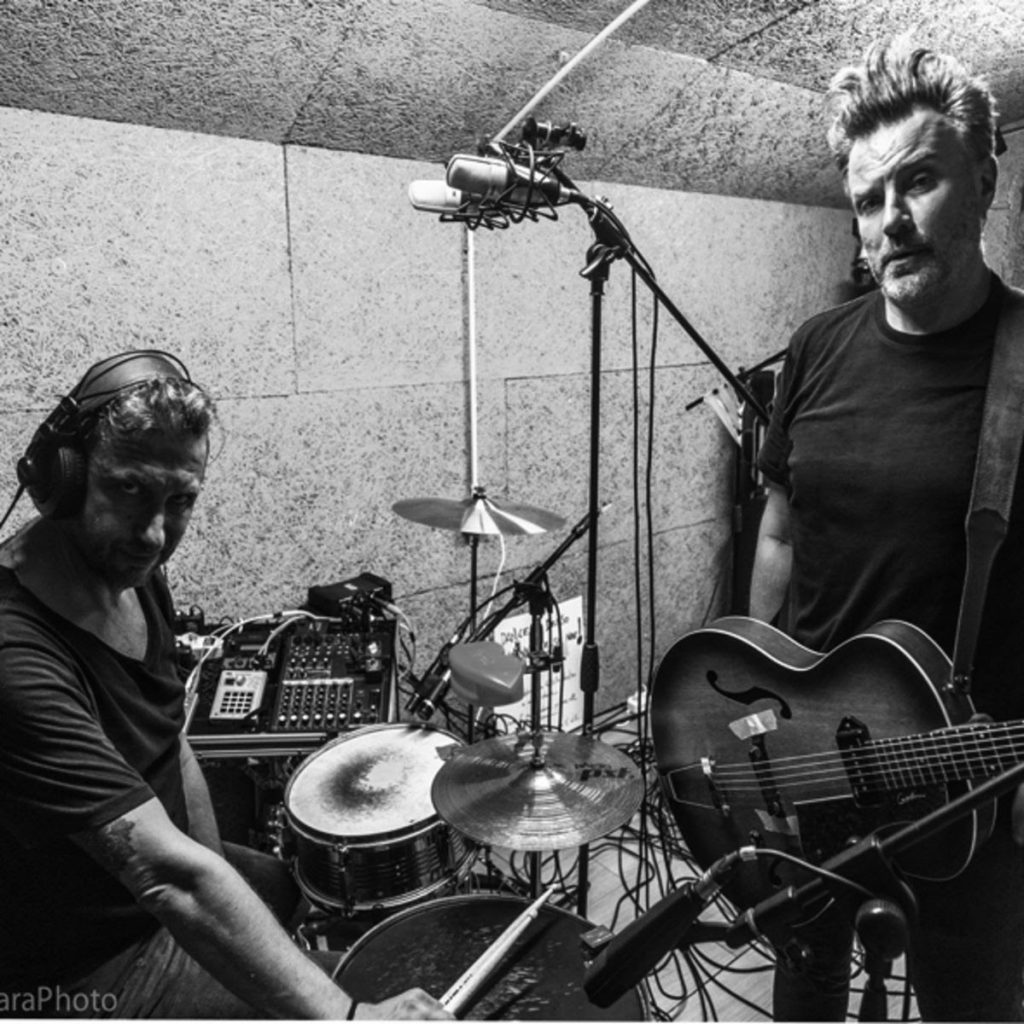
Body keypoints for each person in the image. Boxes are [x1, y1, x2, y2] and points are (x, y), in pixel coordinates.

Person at [0, 350, 450, 1019]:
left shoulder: (131, 572)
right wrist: (348, 1016)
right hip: (84, 969)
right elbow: (168, 879)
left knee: (290, 890)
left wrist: (219, 868)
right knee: (371, 988)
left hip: (151, 892)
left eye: (179, 500)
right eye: (129, 489)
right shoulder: (15, 654)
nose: (154, 535)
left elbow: (169, 740)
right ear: (61, 479)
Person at [750, 38, 1024, 1022]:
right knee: (807, 983)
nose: (891, 221)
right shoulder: (816, 345)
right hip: (816, 757)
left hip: (972, 782)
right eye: (868, 200)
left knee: (970, 1002)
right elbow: (780, 533)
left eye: (919, 182)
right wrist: (758, 700)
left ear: (984, 180)